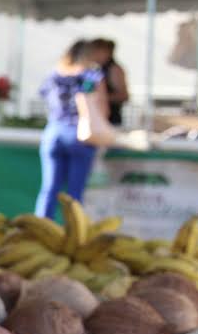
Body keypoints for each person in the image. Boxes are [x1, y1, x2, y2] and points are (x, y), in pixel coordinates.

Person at [35, 40, 107, 218]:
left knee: (49, 189)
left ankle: (39, 230)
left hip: (53, 132)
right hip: (79, 133)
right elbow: (101, 105)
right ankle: (73, 234)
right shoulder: (91, 76)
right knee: (75, 193)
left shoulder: (54, 75)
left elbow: (43, 96)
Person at [91, 38, 128, 126]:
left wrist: (100, 97)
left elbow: (123, 96)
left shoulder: (114, 69)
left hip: (111, 119)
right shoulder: (97, 69)